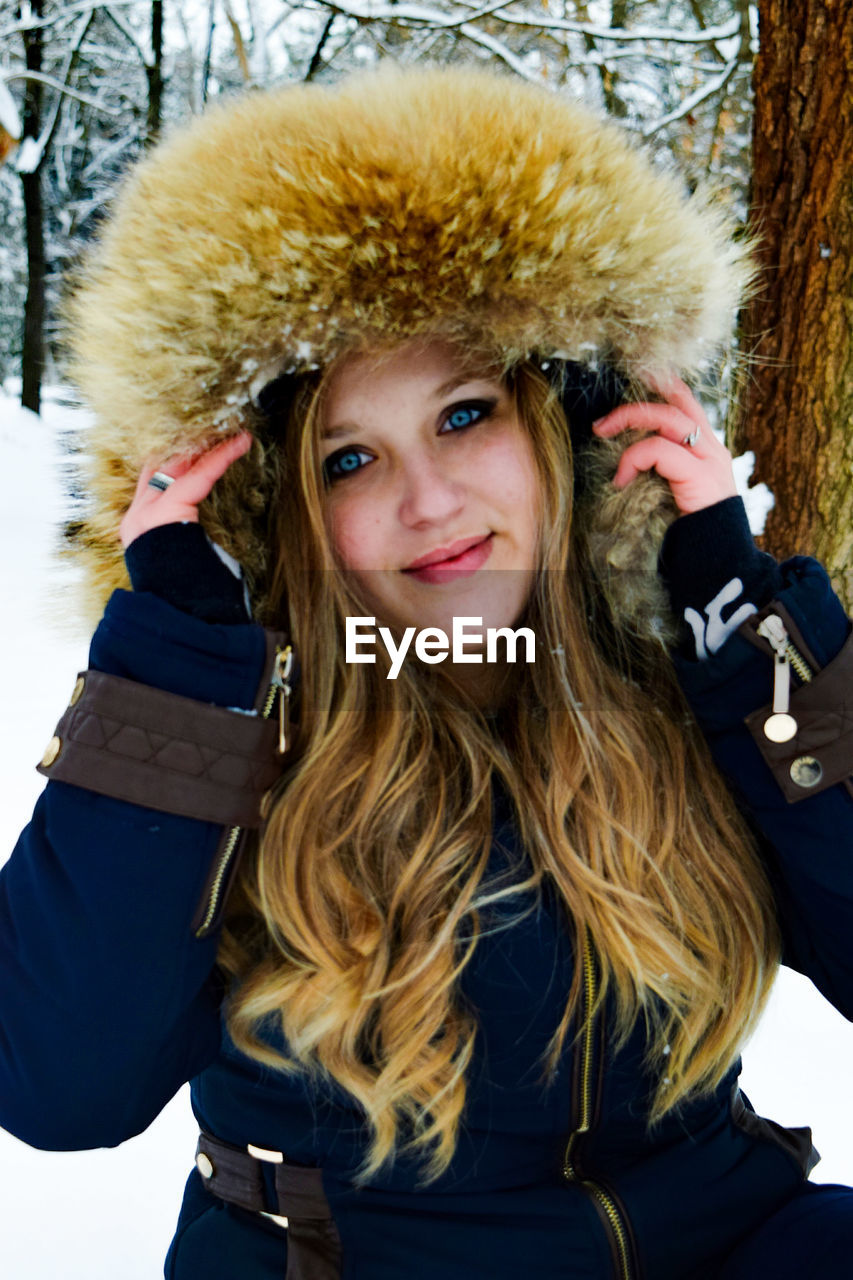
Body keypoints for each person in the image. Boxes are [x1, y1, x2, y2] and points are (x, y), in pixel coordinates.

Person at [2, 60, 852, 1280]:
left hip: (728, 1231)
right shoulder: (238, 737)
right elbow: (60, 1083)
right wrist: (180, 671)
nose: (428, 502)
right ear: (275, 510)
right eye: (349, 459)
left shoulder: (691, 688)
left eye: (463, 415)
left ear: (565, 420)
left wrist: (747, 621)